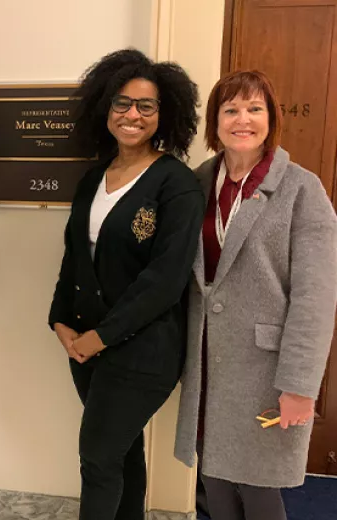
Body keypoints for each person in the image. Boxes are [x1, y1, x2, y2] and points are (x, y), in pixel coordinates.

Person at [48, 49, 204, 520]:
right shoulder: (93, 179)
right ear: (105, 109)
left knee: (97, 459)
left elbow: (165, 280)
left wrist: (102, 336)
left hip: (143, 351)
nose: (132, 114)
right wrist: (58, 319)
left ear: (165, 115)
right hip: (85, 348)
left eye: (146, 106)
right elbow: (74, 257)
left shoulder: (176, 185)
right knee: (122, 453)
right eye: (121, 103)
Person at [174, 70, 337, 520]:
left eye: (254, 108)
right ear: (216, 121)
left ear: (271, 118)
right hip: (207, 364)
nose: (241, 119)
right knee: (215, 487)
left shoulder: (302, 189)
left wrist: (301, 386)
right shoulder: (197, 183)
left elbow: (315, 297)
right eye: (230, 109)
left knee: (261, 494)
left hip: (266, 371)